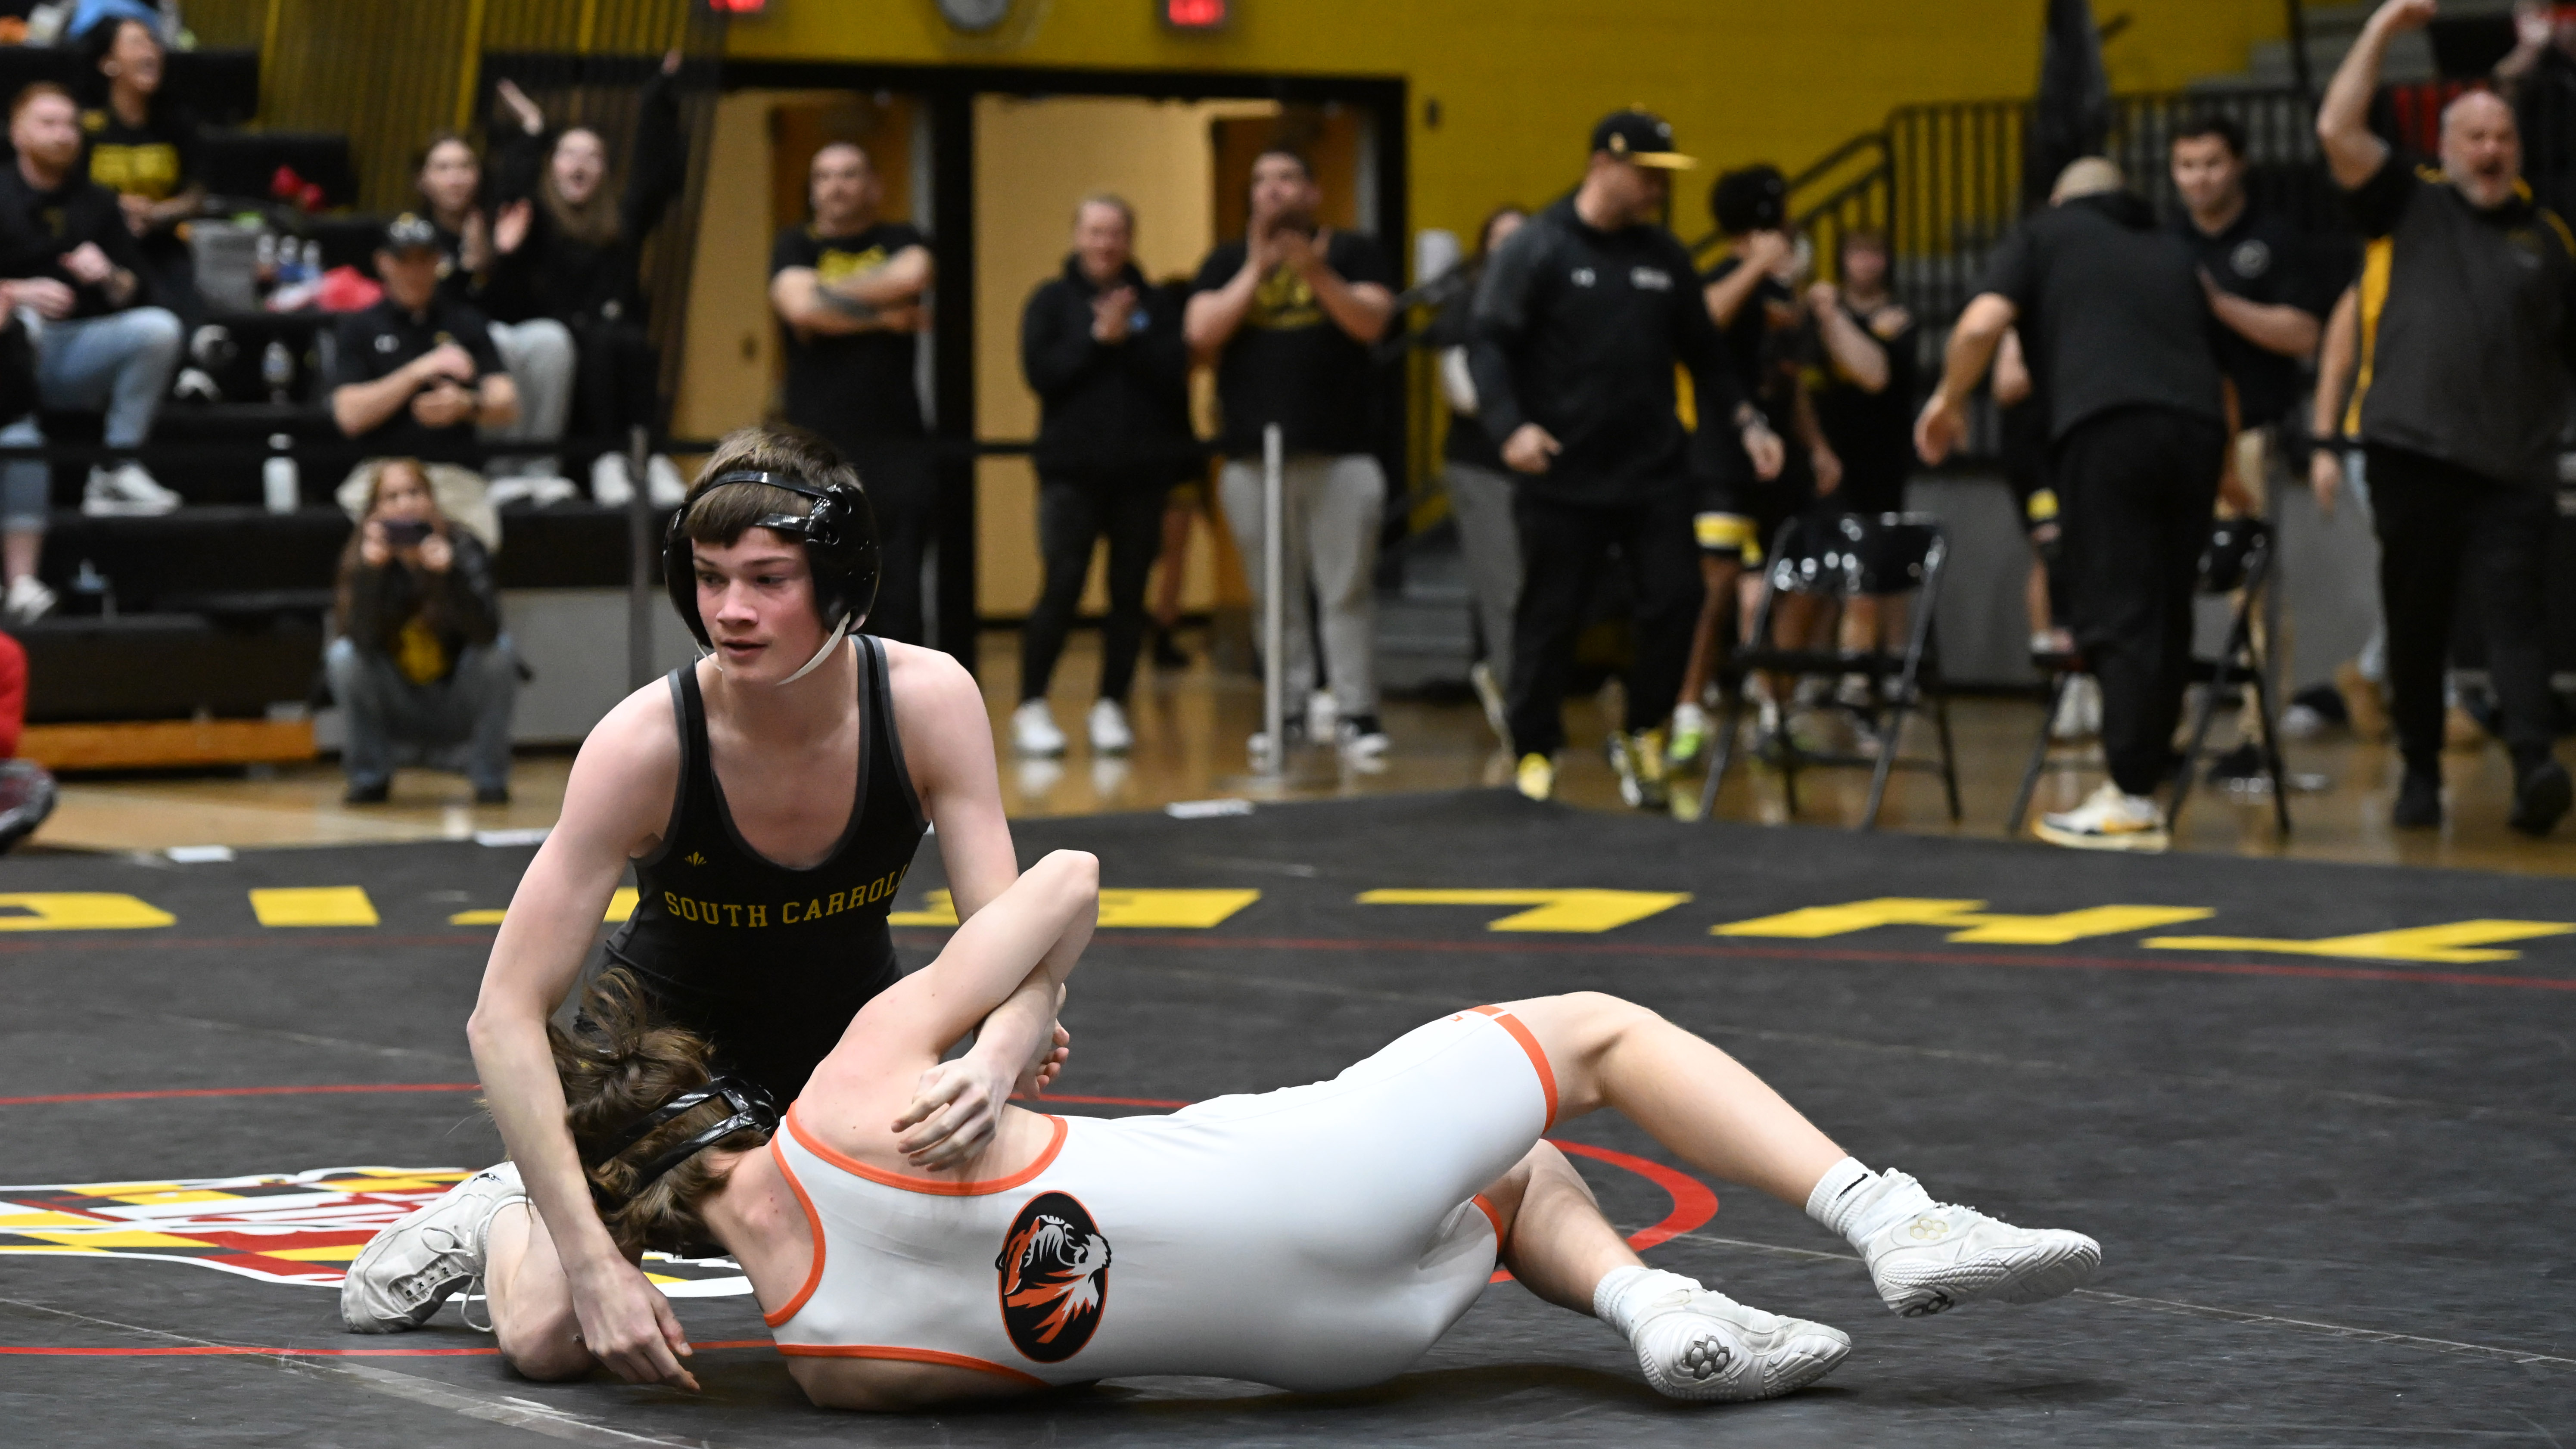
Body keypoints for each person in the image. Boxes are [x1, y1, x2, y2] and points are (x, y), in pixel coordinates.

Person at [515, 851, 2099, 1408]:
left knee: (1512, 1165)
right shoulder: (863, 1084)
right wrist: (998, 1051)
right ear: (711, 1081)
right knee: (1599, 1034)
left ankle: (1656, 1303)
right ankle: (1890, 1215)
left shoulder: (826, 1365)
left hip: (1328, 1349)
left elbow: (534, 1327)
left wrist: (554, 1238)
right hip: (1307, 1187)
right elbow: (1062, 880)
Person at [338, 427, 1071, 1390]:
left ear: (841, 584)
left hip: (845, 1060)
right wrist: (592, 1259)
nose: (731, 610)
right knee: (554, 1337)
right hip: (661, 1069)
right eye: (710, 576)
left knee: (985, 1299)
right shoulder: (644, 743)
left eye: (768, 578)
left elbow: (1011, 942)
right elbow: (501, 1013)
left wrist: (1001, 1051)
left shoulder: (930, 702)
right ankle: (503, 1213)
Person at [1469, 111, 1784, 808]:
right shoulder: (1541, 246)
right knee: (1552, 615)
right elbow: (1488, 341)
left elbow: (1706, 355)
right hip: (1563, 470)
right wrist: (1511, 427)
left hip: (1653, 470)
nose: (1655, 189)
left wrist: (1748, 423)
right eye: (1645, 174)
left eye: (1661, 177)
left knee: (1679, 597)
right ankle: (1534, 748)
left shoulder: (1664, 257)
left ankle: (1644, 727)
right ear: (1601, 166)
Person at [2317, 0, 2576, 836]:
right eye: (2473, 137)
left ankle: (2534, 763)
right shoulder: (2408, 205)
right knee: (2417, 622)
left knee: (2515, 618)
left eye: (2501, 137)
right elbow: (2333, 127)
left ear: (2518, 148)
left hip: (2512, 466)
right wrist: (2380, 32)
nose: (2490, 150)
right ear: (2445, 146)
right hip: (2411, 452)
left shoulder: (2546, 237)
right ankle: (2418, 772)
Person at [1917, 157, 2228, 852]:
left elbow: (1978, 326)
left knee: (2117, 604)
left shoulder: (2047, 232)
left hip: (2108, 426)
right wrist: (2227, 467)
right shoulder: (2172, 244)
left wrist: (1948, 399)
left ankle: (2128, 790)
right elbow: (2213, 358)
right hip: (2197, 430)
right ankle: (2145, 780)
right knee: (2168, 605)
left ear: (2061, 199)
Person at [1186, 146, 1400, 762]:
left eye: (1286, 179)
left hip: (1342, 454)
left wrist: (1313, 272)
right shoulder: (1226, 261)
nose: (1273, 191)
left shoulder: (1353, 251)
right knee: (1273, 596)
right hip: (1254, 460)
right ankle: (1289, 709)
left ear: (1312, 191)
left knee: (1346, 589)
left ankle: (1357, 710)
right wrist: (1256, 270)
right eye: (1261, 180)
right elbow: (1200, 335)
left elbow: (1371, 323)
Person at [1012, 196, 1195, 759]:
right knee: (1062, 586)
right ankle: (1032, 704)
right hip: (1070, 474)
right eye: (1095, 231)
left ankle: (1112, 703)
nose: (1105, 243)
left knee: (1129, 594)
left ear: (1130, 238)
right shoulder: (1051, 300)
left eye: (1115, 233)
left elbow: (1174, 373)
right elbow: (1041, 373)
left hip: (1140, 475)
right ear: (1077, 236)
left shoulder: (1157, 303)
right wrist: (1095, 340)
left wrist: (1127, 339)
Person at [483, 55, 688, 508]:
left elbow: (657, 178)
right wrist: (534, 129)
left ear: (604, 170)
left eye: (593, 155)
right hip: (554, 335)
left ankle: (646, 457)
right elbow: (509, 194)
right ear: (552, 165)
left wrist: (658, 99)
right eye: (569, 153)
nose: (581, 163)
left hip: (614, 336)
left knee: (632, 341)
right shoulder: (534, 218)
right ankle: (605, 460)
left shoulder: (620, 221)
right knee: (595, 342)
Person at [1677, 165, 1828, 769]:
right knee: (1715, 586)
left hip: (1782, 459)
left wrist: (1816, 445)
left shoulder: (1785, 294)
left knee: (1802, 579)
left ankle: (1778, 709)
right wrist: (1755, 266)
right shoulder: (1722, 277)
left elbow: (1791, 385)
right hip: (1721, 457)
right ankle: (1689, 709)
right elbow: (1700, 325)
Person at [0, 81, 182, 557]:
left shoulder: (98, 201)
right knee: (25, 323)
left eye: (70, 125)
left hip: (75, 351)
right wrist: (18, 293)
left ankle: (116, 468)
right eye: (48, 123)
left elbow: (137, 290)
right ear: (17, 133)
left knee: (159, 330)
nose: (63, 135)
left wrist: (109, 274)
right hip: (8, 355)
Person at [768, 142, 938, 647]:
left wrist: (828, 297)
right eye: (823, 176)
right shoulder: (794, 243)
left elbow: (913, 275)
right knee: (820, 593)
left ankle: (901, 718)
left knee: (901, 597)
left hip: (898, 444)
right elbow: (799, 310)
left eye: (848, 174)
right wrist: (884, 315)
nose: (836, 186)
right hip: (815, 448)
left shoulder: (900, 237)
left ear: (873, 186)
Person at [325, 457, 520, 805]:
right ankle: (370, 777)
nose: (405, 504)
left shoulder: (463, 547)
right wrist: (373, 576)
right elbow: (361, 643)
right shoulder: (363, 558)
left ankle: (490, 779)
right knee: (343, 657)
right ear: (375, 511)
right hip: (397, 701)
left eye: (415, 492)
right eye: (393, 497)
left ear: (432, 500)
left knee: (500, 653)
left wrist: (451, 576)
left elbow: (487, 633)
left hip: (455, 698)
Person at [411, 128, 577, 504]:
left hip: (502, 329)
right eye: (443, 167)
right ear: (424, 180)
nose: (456, 177)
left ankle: (540, 470)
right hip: (443, 344)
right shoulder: (417, 234)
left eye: (465, 166)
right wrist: (469, 268)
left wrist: (503, 256)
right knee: (498, 341)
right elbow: (436, 308)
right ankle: (499, 469)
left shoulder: (499, 222)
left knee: (552, 338)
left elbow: (522, 307)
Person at [1805, 228, 1921, 717]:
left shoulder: (1900, 318)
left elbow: (1873, 375)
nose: (1866, 263)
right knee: (1825, 569)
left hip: (1882, 456)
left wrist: (1832, 315)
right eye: (1857, 253)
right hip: (1830, 457)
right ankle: (1816, 671)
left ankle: (1891, 668)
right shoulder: (1820, 318)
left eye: (1876, 253)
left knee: (1883, 567)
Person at [1426, 205, 1530, 745]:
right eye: (1500, 238)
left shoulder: (1546, 302)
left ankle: (1516, 682)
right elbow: (1463, 392)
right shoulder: (1466, 304)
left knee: (1544, 585)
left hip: (1542, 467)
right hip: (1482, 461)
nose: (1511, 248)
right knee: (1504, 585)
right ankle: (1519, 704)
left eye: (1521, 238)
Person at [328, 213, 520, 467]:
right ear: (383, 263)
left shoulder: (466, 323)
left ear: (438, 261)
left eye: (424, 260)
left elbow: (508, 406)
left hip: (455, 475)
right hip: (379, 474)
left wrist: (467, 405)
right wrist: (420, 370)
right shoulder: (359, 327)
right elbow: (349, 416)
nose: (415, 271)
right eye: (404, 260)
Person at [78, 19, 205, 338]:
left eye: (153, 43)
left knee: (178, 295)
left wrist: (156, 213)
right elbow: (70, 188)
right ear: (108, 63)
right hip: (99, 243)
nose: (150, 52)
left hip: (160, 240)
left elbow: (197, 195)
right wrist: (115, 207)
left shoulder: (177, 122)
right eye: (137, 43)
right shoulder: (86, 125)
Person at [2497, 0, 2576, 218]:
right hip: (2534, 163)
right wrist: (2530, 49)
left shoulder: (2564, 56)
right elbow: (2504, 86)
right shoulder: (2520, 59)